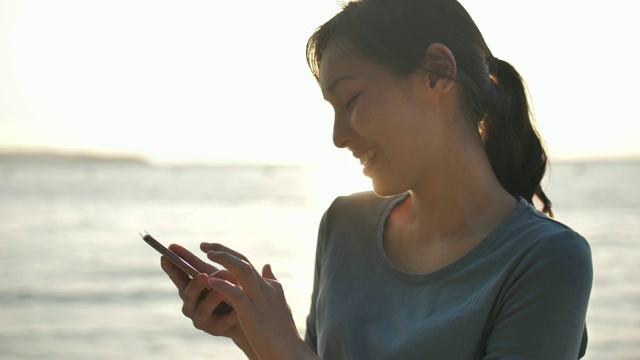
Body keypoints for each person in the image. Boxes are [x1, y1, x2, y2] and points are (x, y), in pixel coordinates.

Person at [161, 0, 593, 358]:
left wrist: (285, 349)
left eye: (350, 99)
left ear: (436, 73)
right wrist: (252, 333)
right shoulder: (345, 224)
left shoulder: (546, 261)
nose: (337, 136)